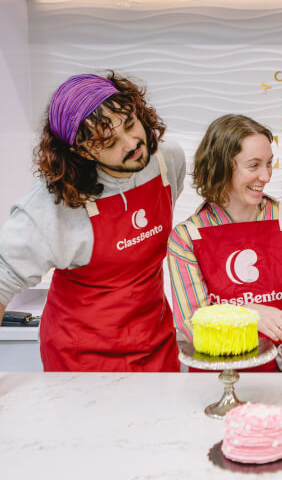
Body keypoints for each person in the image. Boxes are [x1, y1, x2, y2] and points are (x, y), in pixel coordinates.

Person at [0, 72, 186, 371]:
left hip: (155, 343)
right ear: (81, 150)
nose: (132, 143)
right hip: (80, 357)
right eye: (110, 141)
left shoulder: (167, 161)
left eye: (130, 124)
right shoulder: (50, 205)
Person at [168, 115, 282, 372]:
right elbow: (194, 324)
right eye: (254, 166)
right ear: (222, 167)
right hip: (216, 377)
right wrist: (249, 316)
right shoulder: (185, 238)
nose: (267, 176)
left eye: (269, 164)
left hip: (281, 373)